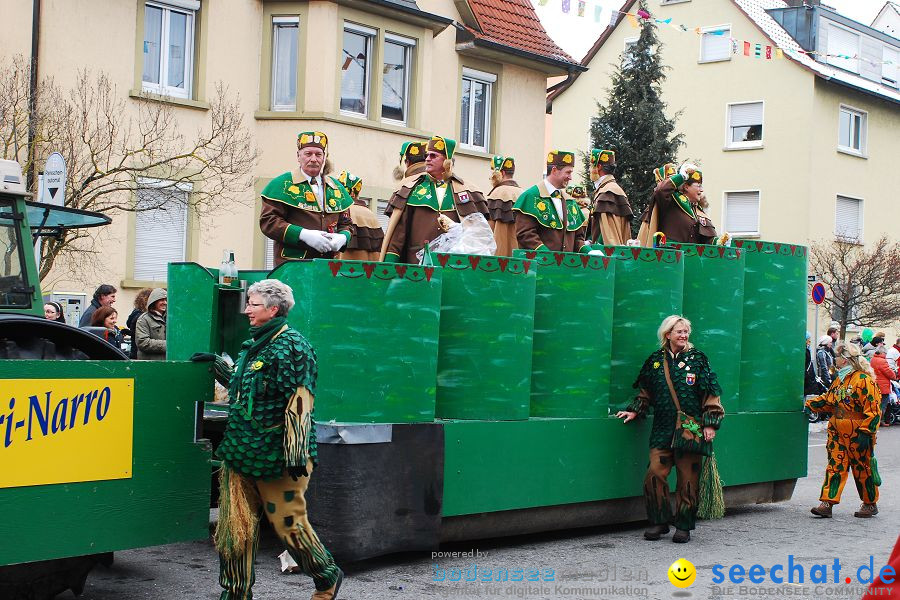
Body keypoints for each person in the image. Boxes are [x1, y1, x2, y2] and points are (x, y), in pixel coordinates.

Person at [214, 279, 343, 600]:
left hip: (279, 456)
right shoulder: (253, 347)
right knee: (235, 528)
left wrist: (297, 453)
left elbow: (299, 400)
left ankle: (327, 575)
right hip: (240, 451)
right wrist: (218, 367)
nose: (246, 310)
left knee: (289, 525)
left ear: (273, 309)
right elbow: (245, 387)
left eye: (252, 304)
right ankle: (235, 593)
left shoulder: (293, 347)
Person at [616, 315, 724, 543]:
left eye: (686, 332)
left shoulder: (698, 360)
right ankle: (659, 521)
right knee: (654, 474)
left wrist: (710, 424)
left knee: (687, 479)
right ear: (668, 334)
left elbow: (711, 394)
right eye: (679, 332)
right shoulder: (655, 361)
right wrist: (635, 410)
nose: (684, 336)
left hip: (690, 429)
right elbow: (645, 392)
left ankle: (683, 525)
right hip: (662, 429)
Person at [380, 135, 488, 264]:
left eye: (433, 156)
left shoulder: (467, 190)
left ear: (447, 161)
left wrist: (458, 229)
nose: (427, 159)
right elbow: (397, 235)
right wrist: (389, 265)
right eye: (427, 155)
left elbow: (478, 236)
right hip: (416, 265)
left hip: (453, 266)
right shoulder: (411, 188)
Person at [806, 342, 882, 518]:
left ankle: (870, 503)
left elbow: (874, 409)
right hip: (837, 430)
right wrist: (811, 405)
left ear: (846, 360)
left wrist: (866, 432)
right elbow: (829, 400)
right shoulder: (840, 379)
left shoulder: (864, 380)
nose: (835, 359)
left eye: (838, 356)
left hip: (858, 432)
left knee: (862, 468)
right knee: (835, 466)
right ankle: (827, 502)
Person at [259, 131, 354, 266]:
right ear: (298, 156)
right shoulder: (282, 184)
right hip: (292, 266)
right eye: (308, 154)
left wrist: (343, 237)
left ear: (324, 158)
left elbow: (346, 223)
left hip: (327, 266)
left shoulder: (337, 188)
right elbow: (269, 222)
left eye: (318, 154)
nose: (314, 159)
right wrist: (303, 235)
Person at [512, 150, 592, 253]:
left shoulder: (570, 201)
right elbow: (525, 235)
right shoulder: (531, 196)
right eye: (568, 172)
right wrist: (548, 256)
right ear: (554, 170)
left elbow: (578, 238)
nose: (570, 177)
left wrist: (589, 252)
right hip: (539, 266)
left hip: (566, 266)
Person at [638, 163, 720, 246]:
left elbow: (704, 239)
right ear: (686, 187)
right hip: (670, 255)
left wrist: (720, 242)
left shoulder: (695, 208)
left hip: (689, 256)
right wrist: (682, 176)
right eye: (698, 186)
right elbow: (660, 191)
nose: (701, 190)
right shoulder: (671, 201)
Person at [587, 149, 633, 246]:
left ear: (598, 167)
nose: (589, 170)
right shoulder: (608, 188)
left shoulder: (607, 191)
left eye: (591, 166)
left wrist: (596, 246)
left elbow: (607, 232)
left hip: (606, 254)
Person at [335, 170, 383, 262]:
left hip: (346, 272)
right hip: (371, 272)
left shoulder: (343, 211)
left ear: (352, 193)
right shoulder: (371, 214)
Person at [486, 155, 522, 257]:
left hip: (497, 259)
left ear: (502, 173)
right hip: (520, 259)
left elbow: (487, 232)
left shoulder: (495, 194)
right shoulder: (524, 195)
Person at [135, 288, 167, 361]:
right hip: (150, 365)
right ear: (154, 301)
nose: (165, 302)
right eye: (162, 300)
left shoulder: (170, 318)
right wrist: (168, 345)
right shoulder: (143, 319)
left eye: (166, 300)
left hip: (167, 364)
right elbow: (142, 342)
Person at [871, 346, 898, 426]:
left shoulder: (873, 359)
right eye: (885, 353)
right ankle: (879, 422)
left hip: (875, 384)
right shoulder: (882, 361)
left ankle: (879, 421)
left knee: (876, 404)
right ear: (882, 352)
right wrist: (894, 376)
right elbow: (888, 372)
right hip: (883, 386)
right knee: (883, 405)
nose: (886, 355)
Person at [125, 288, 153, 359]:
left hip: (134, 351)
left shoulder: (135, 312)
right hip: (139, 354)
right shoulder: (143, 317)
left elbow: (132, 329)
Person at [805, 332, 827, 397]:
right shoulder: (805, 351)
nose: (810, 341)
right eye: (808, 339)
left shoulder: (806, 350)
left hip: (809, 381)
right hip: (808, 382)